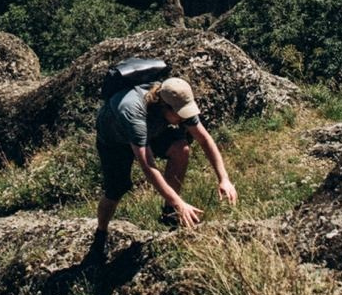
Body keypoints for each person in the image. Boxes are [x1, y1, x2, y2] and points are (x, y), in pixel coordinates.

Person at [91, 76, 237, 255]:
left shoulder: (176, 103)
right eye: (180, 113)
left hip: (150, 131)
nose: (183, 117)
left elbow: (204, 139)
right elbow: (148, 166)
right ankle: (100, 235)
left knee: (180, 149)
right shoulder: (132, 111)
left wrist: (224, 179)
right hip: (115, 140)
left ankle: (169, 214)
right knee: (116, 189)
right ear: (163, 105)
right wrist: (180, 203)